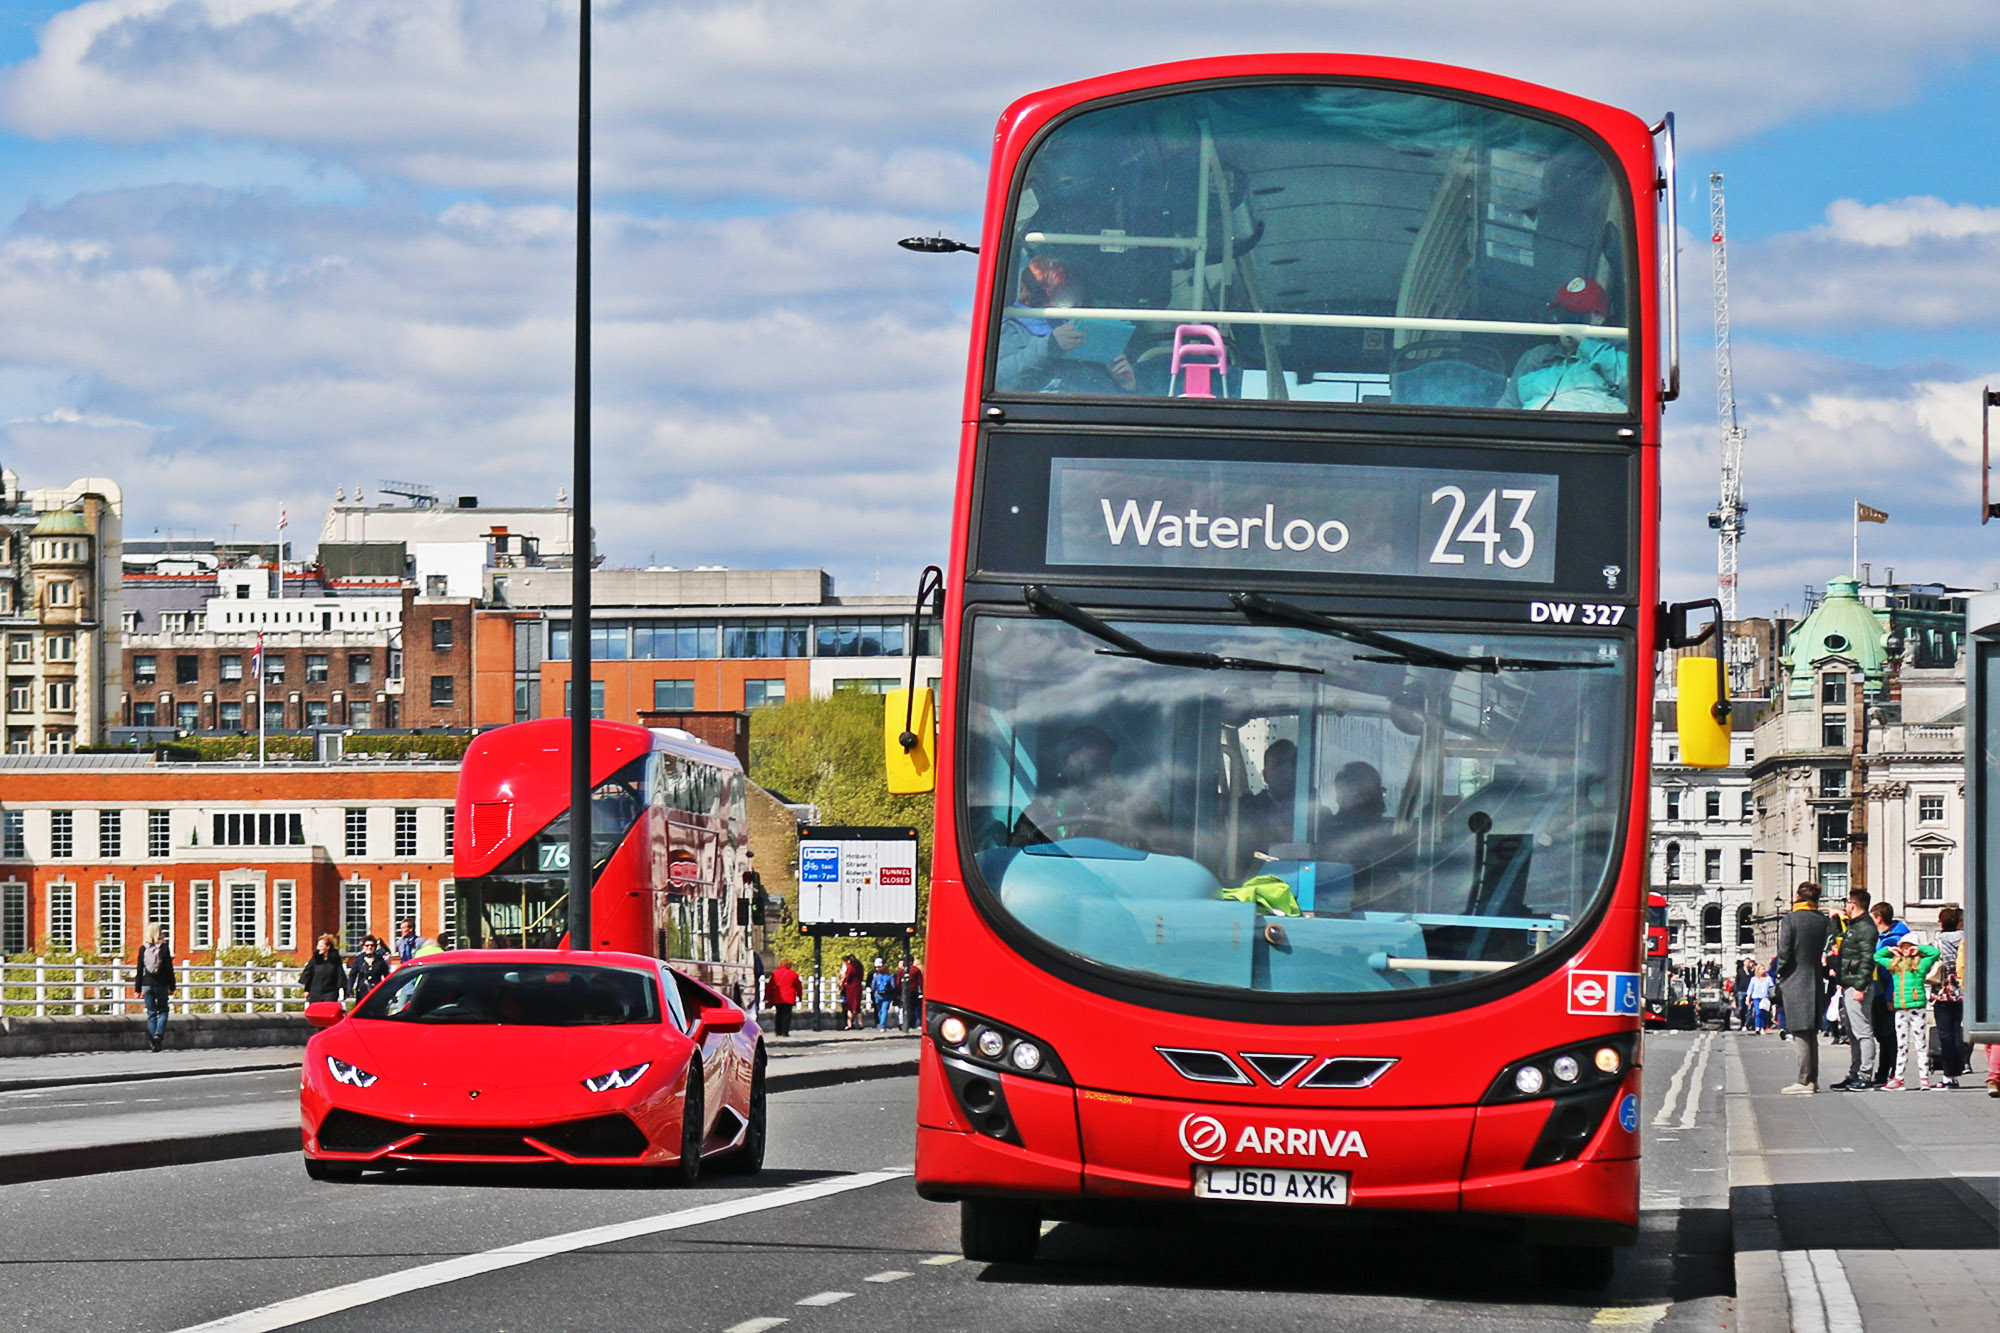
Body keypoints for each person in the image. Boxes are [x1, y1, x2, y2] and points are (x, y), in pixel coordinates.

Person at [1010, 724, 1167, 850]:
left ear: (1108, 757)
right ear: (1064, 763)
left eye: (1091, 752)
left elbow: (1162, 861)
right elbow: (1017, 858)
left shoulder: (1140, 809)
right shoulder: (1041, 810)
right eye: (1075, 753)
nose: (1084, 761)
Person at [996, 256, 1136, 394]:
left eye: (1075, 292)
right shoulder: (1015, 326)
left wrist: (1125, 384)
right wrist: (1051, 345)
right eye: (1062, 293)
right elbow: (999, 381)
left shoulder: (1087, 326)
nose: (1072, 301)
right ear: (1040, 294)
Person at [1500, 276, 1628, 412]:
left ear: (1599, 318)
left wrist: (1585, 343)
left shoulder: (1618, 352)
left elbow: (1631, 384)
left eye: (1578, 316)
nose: (1569, 323)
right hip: (1530, 429)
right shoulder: (1536, 357)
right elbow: (1508, 404)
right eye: (1564, 315)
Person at [1776, 882, 1831, 1093]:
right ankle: (1812, 1079)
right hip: (1815, 978)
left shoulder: (1791, 919)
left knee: (1800, 1032)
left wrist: (1780, 970)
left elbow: (1785, 950)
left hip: (1795, 979)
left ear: (1798, 897)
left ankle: (1803, 1080)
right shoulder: (1822, 920)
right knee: (1811, 1033)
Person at [1874, 933, 1941, 1091]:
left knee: (1920, 1043)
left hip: (1917, 1008)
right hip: (1900, 1009)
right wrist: (1891, 949)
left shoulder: (1921, 964)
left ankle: (1924, 1078)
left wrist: (1917, 949)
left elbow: (1935, 953)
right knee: (1901, 1045)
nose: (1905, 949)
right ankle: (1898, 1078)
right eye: (1903, 946)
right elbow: (1877, 956)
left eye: (1908, 946)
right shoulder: (1895, 964)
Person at [1829, 890, 1879, 1091]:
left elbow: (1868, 959)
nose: (1846, 906)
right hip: (1848, 983)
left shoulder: (1866, 927)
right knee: (1853, 1032)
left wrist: (1860, 985)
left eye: (1847, 902)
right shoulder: (1855, 926)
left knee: (1863, 1031)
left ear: (1854, 904)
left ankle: (1865, 1075)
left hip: (1858, 985)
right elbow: (1840, 942)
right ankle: (1855, 1073)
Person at [1239, 738, 1300, 857]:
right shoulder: (1247, 810)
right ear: (1265, 775)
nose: (1285, 771)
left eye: (1291, 765)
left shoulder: (1316, 814)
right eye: (1278, 766)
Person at [1869, 901, 1907, 1083]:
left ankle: (1892, 1073)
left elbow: (1895, 971)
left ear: (1878, 918)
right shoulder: (1883, 936)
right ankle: (1884, 1072)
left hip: (1888, 991)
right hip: (1879, 990)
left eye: (1872, 917)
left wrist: (1890, 995)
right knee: (1884, 1036)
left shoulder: (1894, 940)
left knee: (1890, 1035)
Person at [1932, 905, 1967, 1088]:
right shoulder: (1965, 938)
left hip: (1943, 989)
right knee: (1956, 1029)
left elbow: (1933, 958)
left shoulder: (1939, 939)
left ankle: (1948, 1074)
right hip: (1960, 988)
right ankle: (1958, 1068)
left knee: (1944, 1032)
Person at [131, 924, 176, 1053]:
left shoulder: (143, 949)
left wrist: (137, 988)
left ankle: (153, 1044)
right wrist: (172, 985)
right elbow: (169, 969)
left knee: (151, 1013)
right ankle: (158, 1035)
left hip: (147, 984)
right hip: (161, 984)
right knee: (163, 1011)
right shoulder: (164, 948)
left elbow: (139, 970)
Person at [299, 935, 346, 1006]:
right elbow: (309, 975)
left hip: (330, 992)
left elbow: (340, 976)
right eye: (318, 946)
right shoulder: (314, 960)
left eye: (321, 946)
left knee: (327, 1011)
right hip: (315, 992)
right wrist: (307, 990)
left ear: (328, 947)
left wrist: (344, 990)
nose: (318, 948)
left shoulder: (335, 961)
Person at [346, 935, 391, 1002]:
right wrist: (349, 989)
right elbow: (352, 975)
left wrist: (388, 990)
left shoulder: (380, 961)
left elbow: (387, 976)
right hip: (362, 992)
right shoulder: (358, 960)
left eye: (372, 945)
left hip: (376, 992)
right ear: (363, 947)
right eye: (367, 945)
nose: (369, 947)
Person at [765, 957, 802, 1037]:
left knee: (779, 1014)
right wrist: (800, 996)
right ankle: (785, 1032)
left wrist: (767, 997)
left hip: (778, 997)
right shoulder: (793, 974)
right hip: (789, 997)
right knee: (787, 1015)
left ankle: (778, 1031)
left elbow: (770, 986)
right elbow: (798, 986)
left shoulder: (775, 973)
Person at [869, 957, 897, 1029]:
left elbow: (873, 986)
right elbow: (893, 986)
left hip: (877, 995)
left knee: (879, 1010)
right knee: (885, 1010)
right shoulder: (889, 977)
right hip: (887, 995)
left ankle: (880, 1023)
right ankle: (883, 1025)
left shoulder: (876, 977)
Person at [1745, 964, 1773, 1034]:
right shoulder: (1754, 979)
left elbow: (1771, 988)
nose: (1764, 970)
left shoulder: (1768, 978)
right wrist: (1748, 997)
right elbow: (1750, 989)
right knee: (1758, 1012)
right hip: (1756, 997)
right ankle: (1757, 1026)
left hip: (1765, 998)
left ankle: (1763, 1027)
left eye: (1764, 969)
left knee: (1764, 1013)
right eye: (1762, 969)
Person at [839, 954, 864, 1031]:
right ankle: (860, 1023)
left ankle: (849, 1023)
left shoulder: (851, 967)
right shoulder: (860, 967)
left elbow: (847, 977)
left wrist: (842, 985)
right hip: (858, 987)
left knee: (849, 1006)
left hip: (850, 988)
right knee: (857, 1007)